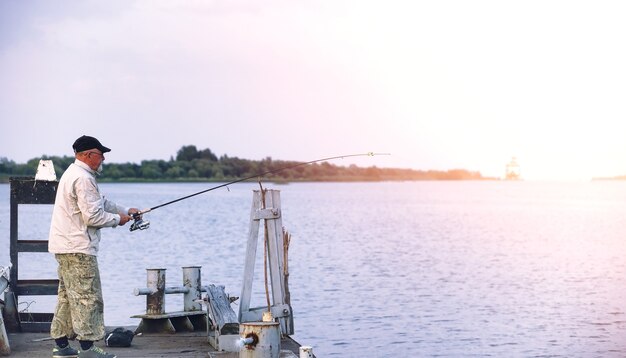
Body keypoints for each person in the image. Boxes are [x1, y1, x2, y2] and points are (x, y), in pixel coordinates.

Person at [48, 135, 140, 358]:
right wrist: (119, 220)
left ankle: (61, 346)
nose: (103, 159)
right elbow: (94, 217)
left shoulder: (74, 174)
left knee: (68, 297)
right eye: (100, 155)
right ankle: (88, 349)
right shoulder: (83, 178)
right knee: (88, 297)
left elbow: (101, 203)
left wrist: (127, 210)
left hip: (65, 246)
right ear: (88, 155)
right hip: (78, 248)